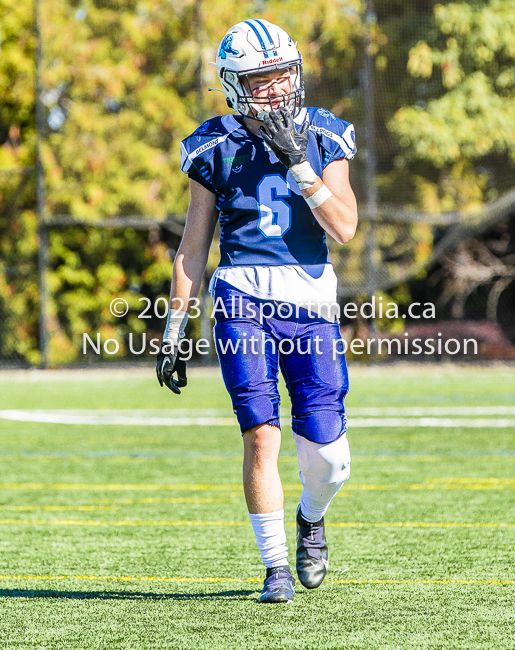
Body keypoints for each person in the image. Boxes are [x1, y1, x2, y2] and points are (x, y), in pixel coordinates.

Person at [157, 19, 358, 604]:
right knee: (261, 434)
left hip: (310, 298)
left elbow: (344, 228)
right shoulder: (214, 145)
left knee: (327, 454)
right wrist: (175, 328)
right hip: (241, 295)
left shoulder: (323, 133)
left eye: (282, 74)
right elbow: (193, 248)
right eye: (260, 77)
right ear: (235, 84)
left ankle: (312, 518)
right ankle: (273, 567)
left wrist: (300, 164)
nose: (275, 87)